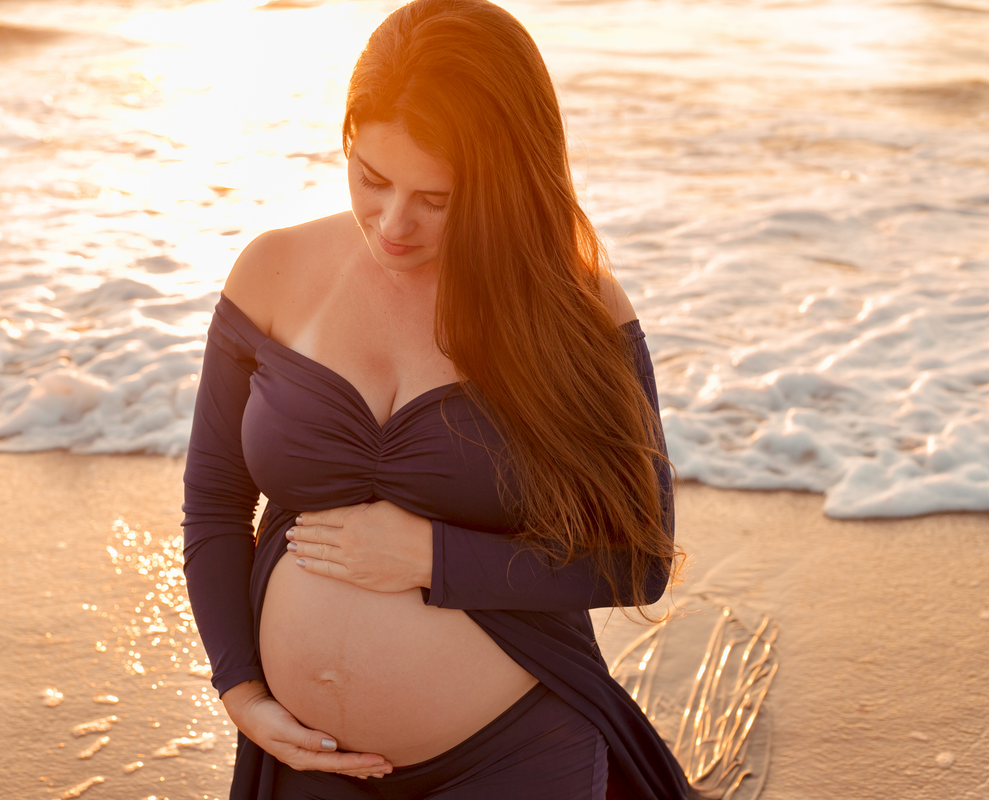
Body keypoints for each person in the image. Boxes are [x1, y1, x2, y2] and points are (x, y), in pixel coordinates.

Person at [181, 1, 690, 797]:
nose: (393, 224)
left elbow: (639, 560)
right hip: (304, 753)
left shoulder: (576, 310)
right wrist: (242, 691)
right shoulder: (272, 273)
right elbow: (214, 501)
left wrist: (432, 558)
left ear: (504, 181)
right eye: (372, 179)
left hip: (519, 754)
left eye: (437, 198)